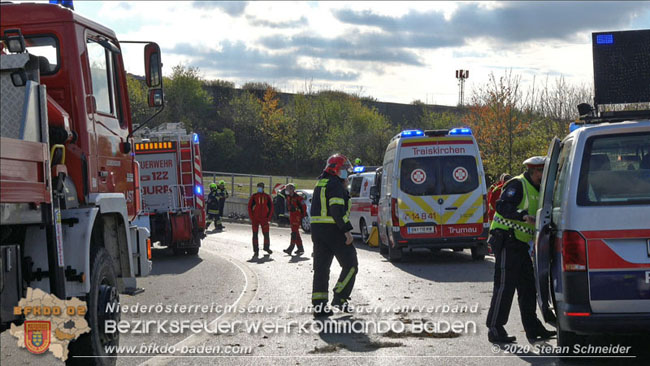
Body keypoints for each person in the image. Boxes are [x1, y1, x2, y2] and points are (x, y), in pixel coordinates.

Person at [485, 156, 556, 343]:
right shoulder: (518, 184)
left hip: (521, 245)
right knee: (504, 287)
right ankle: (495, 329)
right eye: (542, 172)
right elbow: (501, 206)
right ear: (534, 171)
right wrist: (522, 215)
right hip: (506, 240)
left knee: (528, 288)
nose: (545, 176)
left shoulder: (539, 189)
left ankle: (533, 328)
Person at [311, 154, 357, 317]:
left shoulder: (320, 183)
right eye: (344, 169)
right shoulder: (335, 185)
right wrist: (347, 231)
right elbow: (337, 210)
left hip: (317, 231)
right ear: (336, 169)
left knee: (321, 269)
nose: (347, 173)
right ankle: (340, 297)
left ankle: (319, 306)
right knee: (351, 264)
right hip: (333, 230)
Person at [247, 182, 274, 257]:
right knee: (255, 234)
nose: (259, 188)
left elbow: (271, 207)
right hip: (255, 218)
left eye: (260, 187)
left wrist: (269, 217)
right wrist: (252, 217)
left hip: (264, 218)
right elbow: (249, 207)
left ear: (263, 188)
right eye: (258, 187)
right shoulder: (254, 196)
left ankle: (266, 248)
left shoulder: (267, 197)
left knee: (266, 234)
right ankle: (256, 250)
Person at [283, 183, 307, 256]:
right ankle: (300, 248)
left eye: (288, 189)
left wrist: (302, 216)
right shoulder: (288, 197)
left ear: (292, 189)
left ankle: (290, 248)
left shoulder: (298, 198)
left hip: (297, 216)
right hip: (292, 216)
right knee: (296, 232)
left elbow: (304, 207)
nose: (286, 190)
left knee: (294, 232)